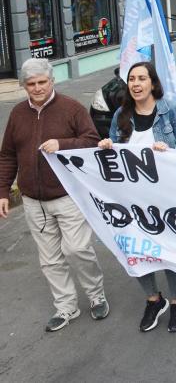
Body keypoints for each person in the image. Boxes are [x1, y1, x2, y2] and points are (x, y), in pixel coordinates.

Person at [0, 58, 109, 332]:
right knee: (49, 258)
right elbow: (8, 155)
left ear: (52, 81)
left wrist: (62, 144)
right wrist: (2, 190)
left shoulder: (71, 108)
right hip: (33, 200)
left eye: (41, 82)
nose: (37, 88)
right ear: (25, 86)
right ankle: (66, 307)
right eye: (31, 84)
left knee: (78, 249)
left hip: (67, 195)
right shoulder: (17, 114)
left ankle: (96, 295)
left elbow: (92, 142)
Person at [98, 62, 176, 333]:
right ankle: (154, 300)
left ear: (153, 83)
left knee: (169, 250)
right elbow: (115, 154)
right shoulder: (121, 114)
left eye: (142, 78)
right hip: (131, 200)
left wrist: (169, 153)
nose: (136, 83)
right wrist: (108, 147)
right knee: (138, 250)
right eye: (132, 79)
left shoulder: (170, 111)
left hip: (165, 197)